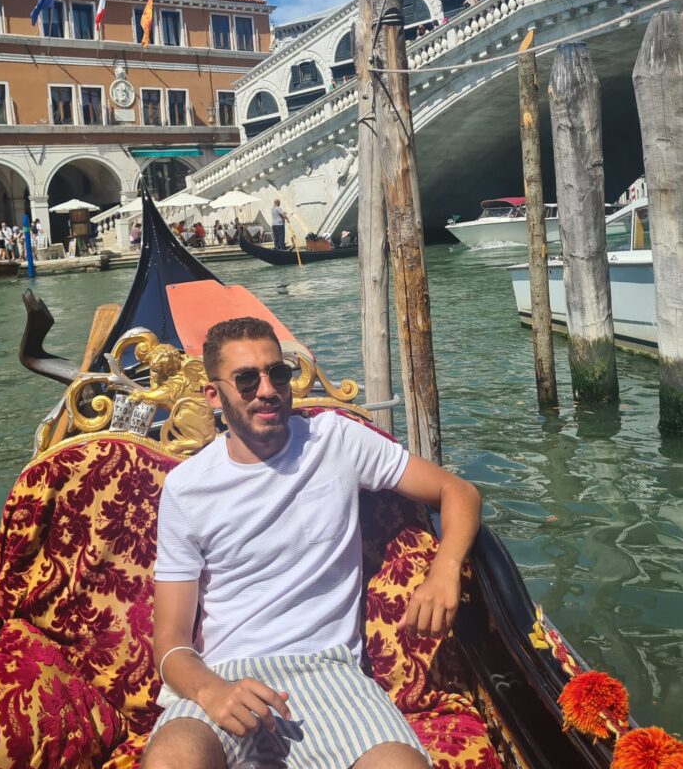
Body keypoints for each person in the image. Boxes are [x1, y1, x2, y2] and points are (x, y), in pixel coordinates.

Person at [144, 317, 481, 769]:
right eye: (246, 379)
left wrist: (444, 570)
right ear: (214, 396)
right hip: (224, 679)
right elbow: (169, 638)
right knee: (172, 759)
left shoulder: (336, 441)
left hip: (332, 672)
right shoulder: (187, 488)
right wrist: (211, 691)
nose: (266, 389)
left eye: (276, 373)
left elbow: (458, 492)